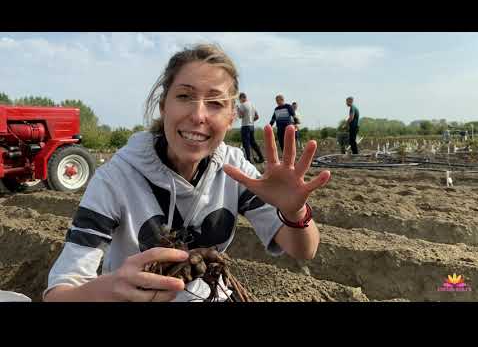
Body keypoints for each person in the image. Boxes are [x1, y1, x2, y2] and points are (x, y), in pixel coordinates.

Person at [43, 44, 331, 302]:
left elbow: (303, 250)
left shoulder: (234, 171)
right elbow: (59, 293)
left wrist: (295, 213)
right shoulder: (116, 179)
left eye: (216, 103)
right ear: (163, 106)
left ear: (232, 116)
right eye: (184, 96)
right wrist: (112, 288)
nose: (198, 115)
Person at [236, 92, 264, 163]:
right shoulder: (252, 105)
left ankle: (248, 160)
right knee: (253, 143)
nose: (240, 101)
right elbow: (257, 116)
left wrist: (238, 109)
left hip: (245, 126)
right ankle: (261, 157)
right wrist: (251, 121)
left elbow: (240, 116)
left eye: (239, 99)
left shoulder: (242, 105)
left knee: (246, 144)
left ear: (242, 98)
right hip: (251, 126)